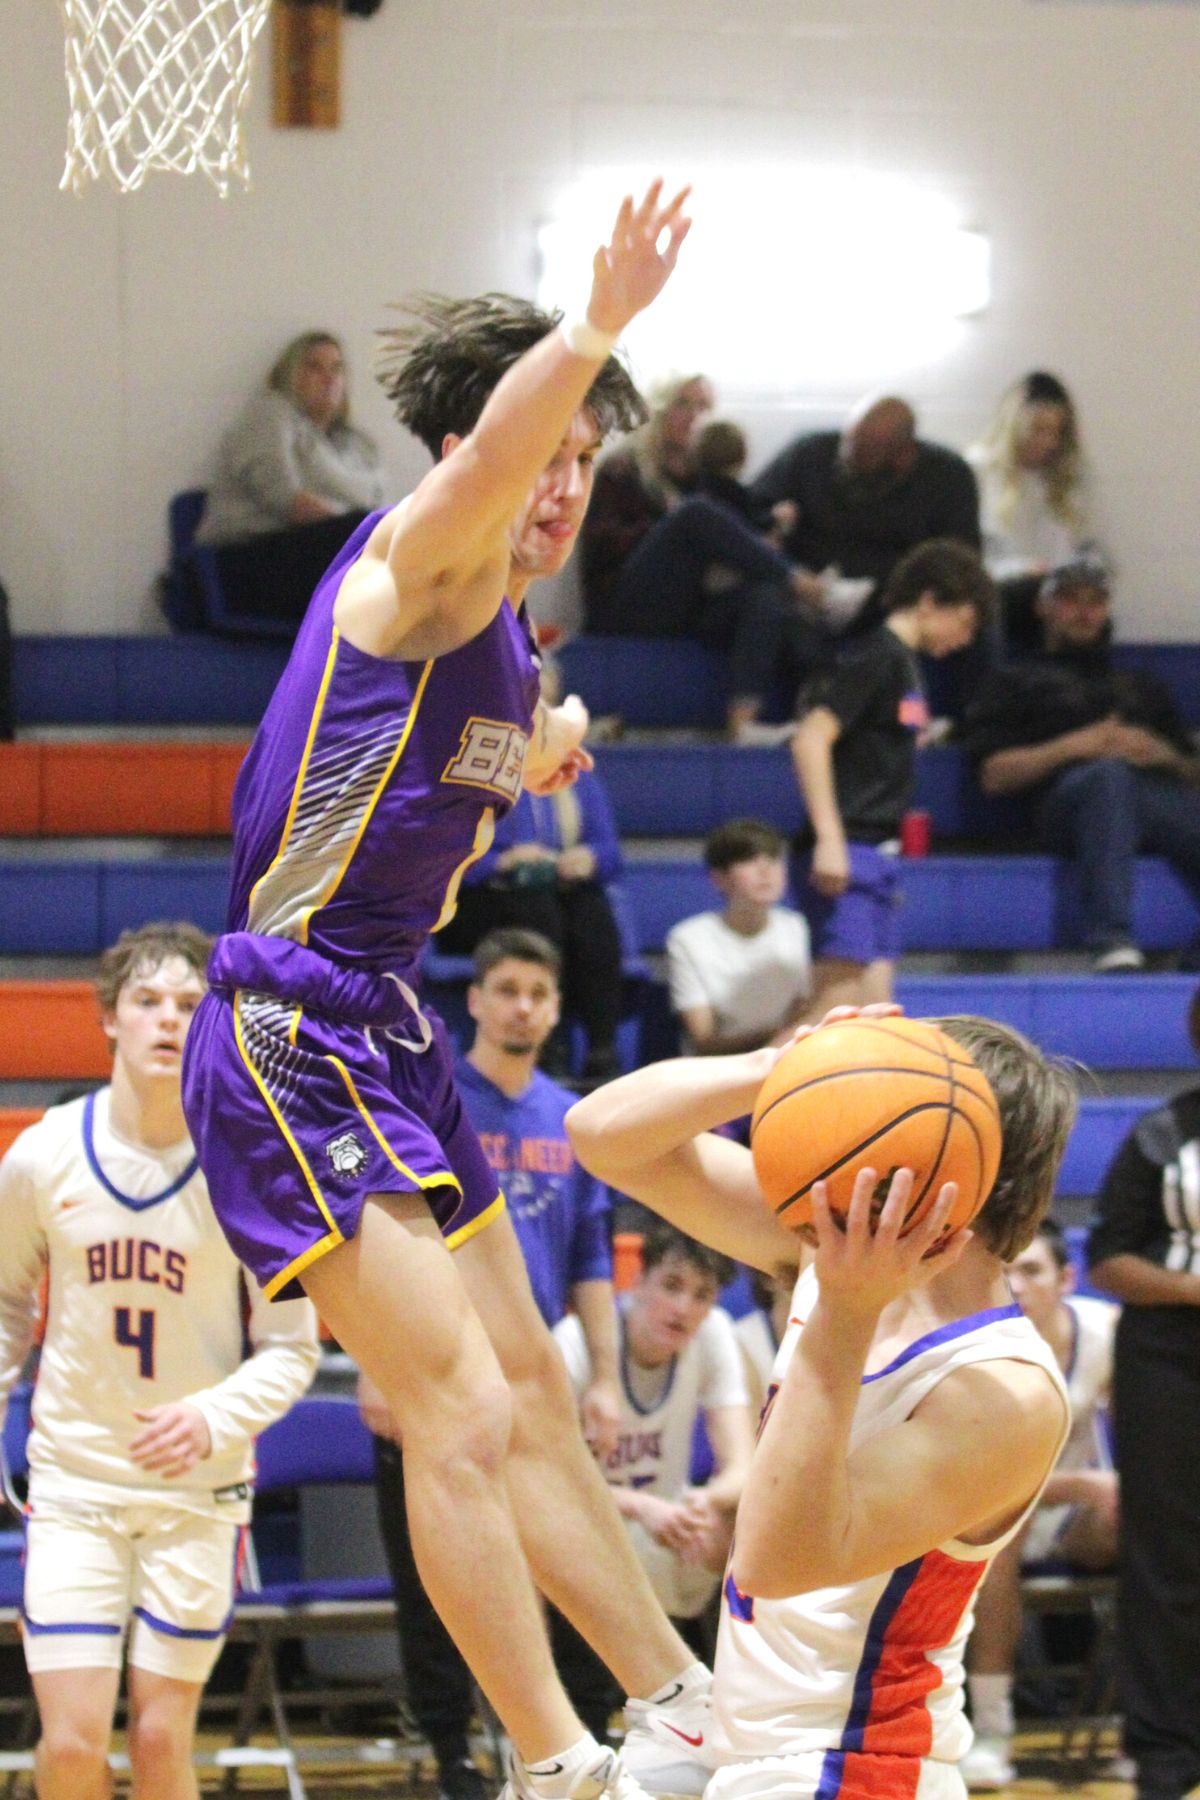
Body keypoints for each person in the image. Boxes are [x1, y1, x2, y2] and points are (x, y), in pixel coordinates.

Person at [181, 181, 721, 1800]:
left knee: (536, 1385)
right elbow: (491, 463)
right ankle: (555, 1759)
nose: (558, 485)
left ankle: (678, 1701)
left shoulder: (505, 637)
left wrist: (539, 752)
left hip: (391, 1027)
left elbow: (439, 774)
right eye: (544, 453)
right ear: (479, 446)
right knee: (458, 1409)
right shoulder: (418, 557)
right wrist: (600, 321)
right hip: (285, 1025)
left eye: (585, 465)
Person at [566, 1007, 1078, 1799]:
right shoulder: (827, 1250)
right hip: (747, 1742)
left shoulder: (1004, 1390)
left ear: (950, 1165)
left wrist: (844, 1311)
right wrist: (769, 1067)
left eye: (875, 1099)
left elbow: (778, 1558)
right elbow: (600, 1132)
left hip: (851, 1766)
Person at [0, 922, 320, 1800]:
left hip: (197, 1494)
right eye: (147, 1001)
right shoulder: (42, 1153)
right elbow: (4, 1301)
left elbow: (292, 1349)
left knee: (157, 1736)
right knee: (67, 1746)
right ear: (109, 1018)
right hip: (76, 1485)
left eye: (189, 1005)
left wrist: (213, 1416)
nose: (167, 1021)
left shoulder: (253, 1167)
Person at [360, 926, 621, 1799]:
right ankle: (449, 1751)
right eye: (506, 988)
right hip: (428, 1368)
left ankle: (564, 1742)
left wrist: (609, 1380)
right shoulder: (436, 1100)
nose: (522, 1006)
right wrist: (372, 1362)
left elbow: (591, 1261)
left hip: (533, 1384)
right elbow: (377, 1228)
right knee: (437, 1578)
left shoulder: (569, 1118)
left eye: (539, 994)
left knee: (562, 1561)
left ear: (554, 1008)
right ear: (473, 999)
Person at [550, 1224, 754, 1741]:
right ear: (636, 1281)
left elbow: (742, 1466)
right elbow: (551, 1480)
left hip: (661, 1526)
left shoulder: (715, 1335)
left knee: (729, 1530)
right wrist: (644, 1508)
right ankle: (586, 1731)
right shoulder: (575, 1343)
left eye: (702, 1295)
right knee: (586, 1544)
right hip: (576, 1527)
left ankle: (723, 1726)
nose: (683, 1308)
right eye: (671, 1285)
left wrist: (703, 1502)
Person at [960, 553, 1200, 972]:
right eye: (1070, 599)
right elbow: (993, 776)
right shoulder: (1013, 680)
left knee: (1124, 777)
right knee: (1108, 778)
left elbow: (1191, 774)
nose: (1084, 612)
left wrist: (1160, 753)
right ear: (1043, 606)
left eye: (1095, 601)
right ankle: (1112, 940)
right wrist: (1075, 746)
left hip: (1152, 800)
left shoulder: (1141, 684)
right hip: (1065, 806)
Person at [789, 539, 995, 1011]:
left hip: (879, 854)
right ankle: (754, 1086)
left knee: (875, 1016)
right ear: (928, 602)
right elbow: (810, 739)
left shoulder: (905, 666)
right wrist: (830, 838)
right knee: (831, 1014)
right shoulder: (876, 657)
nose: (965, 640)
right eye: (964, 623)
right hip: (851, 848)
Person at [1086, 983, 1200, 1800]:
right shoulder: (1162, 1135)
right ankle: (1163, 1754)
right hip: (1170, 1359)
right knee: (1166, 1559)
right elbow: (1108, 1259)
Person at [962, 1218, 1118, 1790]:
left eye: (1031, 1270)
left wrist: (1121, 1494)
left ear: (1067, 1277)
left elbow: (1146, 1455)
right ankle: (993, 1728)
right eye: (1003, 1272)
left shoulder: (1106, 1332)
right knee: (999, 1535)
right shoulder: (971, 1347)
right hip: (986, 1515)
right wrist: (1087, 1486)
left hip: (1074, 1519)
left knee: (1153, 1525)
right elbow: (985, 1484)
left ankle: (1152, 1722)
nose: (1016, 1284)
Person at [581, 381, 827, 742]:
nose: (695, 416)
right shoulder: (624, 470)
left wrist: (767, 531)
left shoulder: (706, 482)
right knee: (695, 516)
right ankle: (807, 584)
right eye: (684, 404)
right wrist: (675, 532)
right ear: (662, 411)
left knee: (765, 595)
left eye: (704, 407)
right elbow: (605, 548)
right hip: (629, 607)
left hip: (688, 608)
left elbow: (729, 538)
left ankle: (745, 722)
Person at [434, 669, 627, 1084]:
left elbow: (612, 853)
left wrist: (587, 859)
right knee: (538, 907)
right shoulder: (470, 757)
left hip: (555, 894)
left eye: (546, 704)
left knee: (591, 911)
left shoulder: (577, 767)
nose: (537, 713)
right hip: (477, 903)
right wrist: (500, 861)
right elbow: (437, 852)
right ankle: (547, 1045)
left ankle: (601, 1049)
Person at [195, 331, 387, 630]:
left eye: (336, 369)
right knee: (366, 537)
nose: (328, 378)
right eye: (313, 367)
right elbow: (291, 503)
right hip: (251, 562)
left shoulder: (357, 445)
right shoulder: (270, 415)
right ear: (289, 375)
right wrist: (364, 531)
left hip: (320, 555)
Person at [746, 394, 982, 632]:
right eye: (846, 449)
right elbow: (749, 509)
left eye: (861, 459)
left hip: (893, 600)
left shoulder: (949, 478)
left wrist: (897, 592)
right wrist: (773, 524)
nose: (847, 464)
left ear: (903, 456)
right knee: (762, 604)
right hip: (802, 588)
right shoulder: (810, 452)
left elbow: (960, 562)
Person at [665, 819, 812, 1055]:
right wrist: (781, 1034)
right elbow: (705, 1040)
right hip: (720, 1070)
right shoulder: (688, 939)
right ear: (719, 878)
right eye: (748, 859)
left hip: (791, 1061)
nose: (765, 870)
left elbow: (810, 1010)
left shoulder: (801, 929)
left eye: (773, 858)